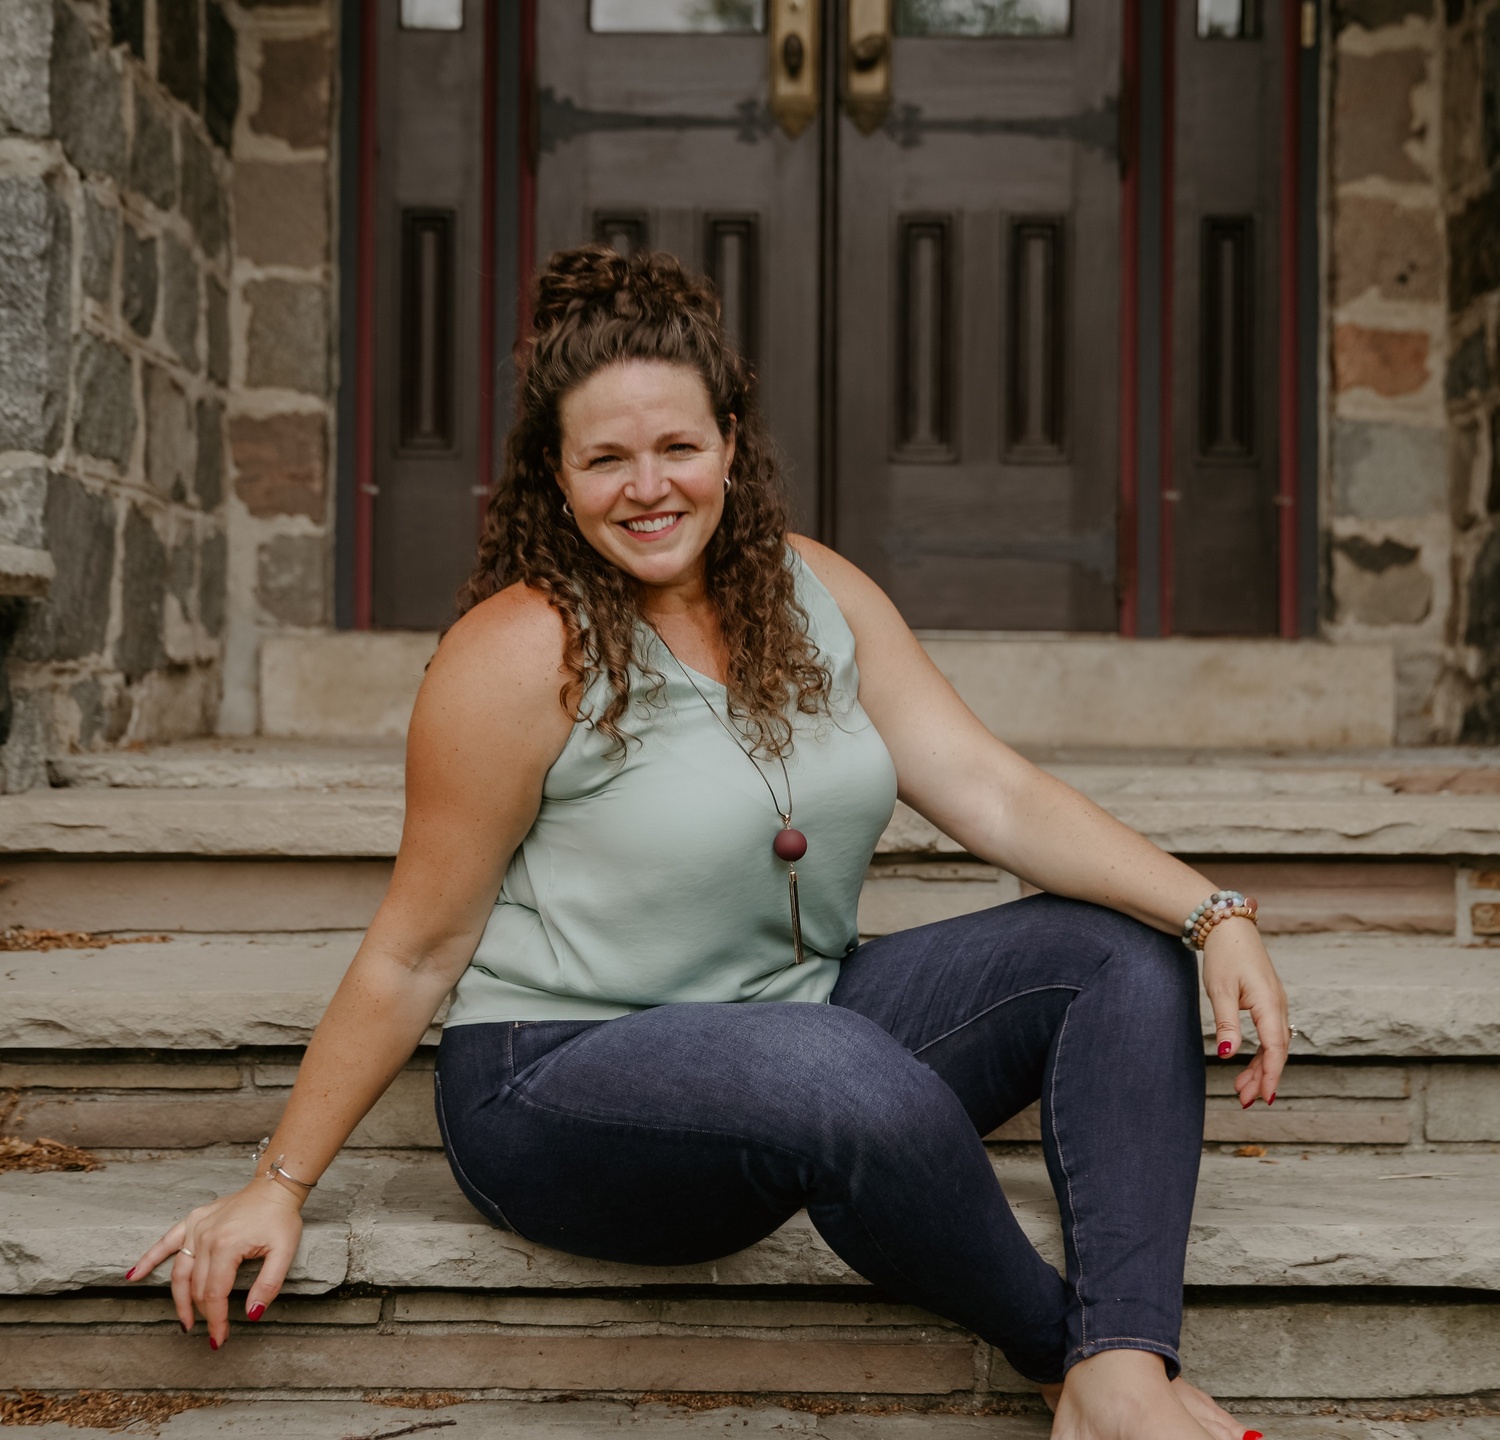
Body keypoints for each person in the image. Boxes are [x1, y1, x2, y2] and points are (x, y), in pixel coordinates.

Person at [129, 245, 1289, 1440]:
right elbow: (415, 950)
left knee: (1119, 953)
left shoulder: (812, 590)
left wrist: (1214, 911)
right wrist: (278, 1184)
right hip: (558, 1080)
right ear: (555, 474)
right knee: (835, 1069)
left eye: (678, 447)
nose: (649, 488)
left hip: (801, 1021)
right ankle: (1064, 1360)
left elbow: (992, 792)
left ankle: (1124, 1365)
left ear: (731, 444)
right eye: (606, 459)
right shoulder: (519, 653)